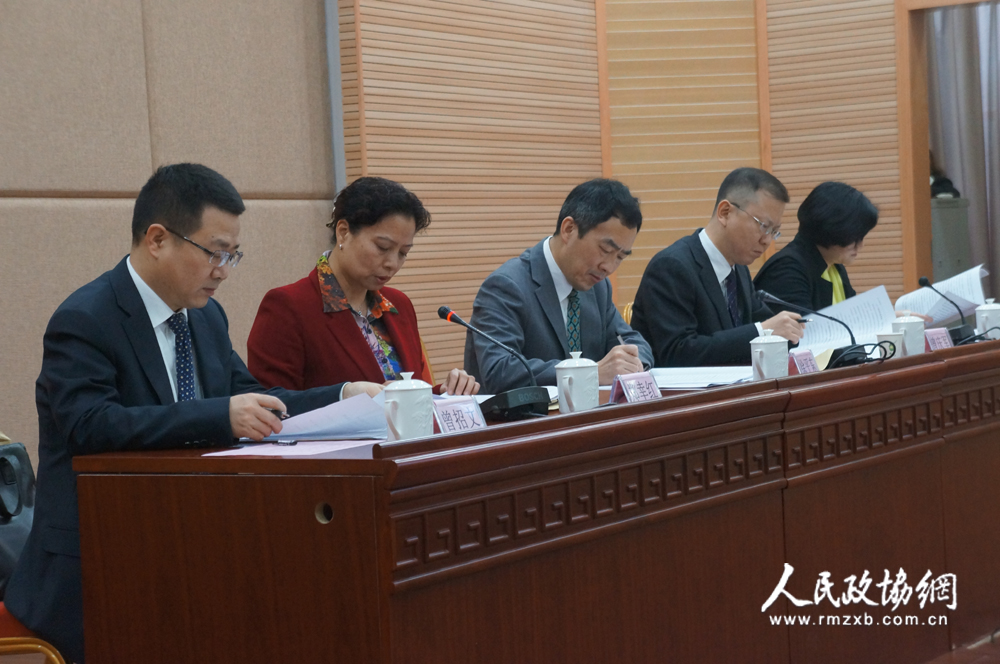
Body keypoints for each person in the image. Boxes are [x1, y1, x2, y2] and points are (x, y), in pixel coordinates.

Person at [4, 164, 382, 663]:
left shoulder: (205, 318)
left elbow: (251, 398)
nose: (223, 270)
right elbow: (91, 425)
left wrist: (343, 395)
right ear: (158, 240)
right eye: (214, 252)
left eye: (233, 255)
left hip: (190, 543)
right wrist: (218, 417)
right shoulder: (86, 318)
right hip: (97, 562)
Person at [248, 177, 479, 395]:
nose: (392, 264)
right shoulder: (288, 307)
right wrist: (344, 396)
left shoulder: (398, 305)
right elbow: (272, 405)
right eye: (382, 247)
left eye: (403, 253)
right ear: (343, 232)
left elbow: (406, 395)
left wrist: (444, 392)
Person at [464, 178, 653, 393]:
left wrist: (634, 363)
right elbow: (500, 371)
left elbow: (632, 341)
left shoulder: (598, 287)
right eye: (605, 250)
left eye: (620, 257)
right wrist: (589, 373)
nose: (609, 267)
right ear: (569, 229)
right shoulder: (506, 287)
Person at [631, 167, 805, 367]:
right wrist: (762, 331)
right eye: (763, 226)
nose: (767, 241)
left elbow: (765, 323)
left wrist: (789, 330)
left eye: (774, 231)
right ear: (725, 213)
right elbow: (678, 352)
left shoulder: (738, 269)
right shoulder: (672, 267)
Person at [753, 181, 878, 313]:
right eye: (855, 237)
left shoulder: (834, 265)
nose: (860, 245)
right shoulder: (787, 269)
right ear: (833, 230)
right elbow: (803, 325)